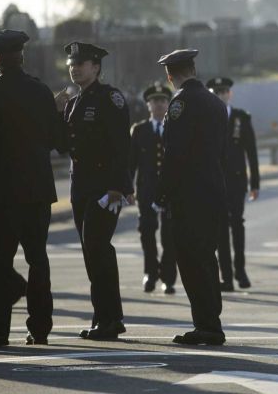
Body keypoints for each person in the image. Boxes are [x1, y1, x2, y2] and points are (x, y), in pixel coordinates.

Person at [54, 41, 133, 340]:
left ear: (96, 67)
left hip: (104, 186)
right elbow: (62, 145)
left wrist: (118, 187)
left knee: (98, 247)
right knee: (92, 252)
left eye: (81, 64)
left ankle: (110, 319)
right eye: (72, 64)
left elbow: (121, 146)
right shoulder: (73, 103)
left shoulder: (109, 98)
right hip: (80, 186)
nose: (74, 68)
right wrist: (56, 112)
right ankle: (106, 316)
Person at [0, 30, 61, 347]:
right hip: (37, 190)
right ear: (22, 56)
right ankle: (41, 327)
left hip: (1, 193)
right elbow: (57, 140)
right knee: (38, 259)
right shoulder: (41, 91)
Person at [155, 49, 228, 345]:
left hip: (189, 194)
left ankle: (206, 324)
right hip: (213, 189)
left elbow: (175, 153)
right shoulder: (214, 101)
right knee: (207, 258)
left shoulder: (181, 103)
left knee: (190, 259)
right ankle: (212, 321)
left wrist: (163, 190)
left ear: (170, 75)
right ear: (194, 69)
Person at [207, 77, 260, 291]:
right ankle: (226, 276)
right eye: (216, 92)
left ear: (230, 94)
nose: (221, 95)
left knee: (237, 225)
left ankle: (240, 270)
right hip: (215, 181)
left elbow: (252, 152)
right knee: (220, 229)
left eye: (224, 91)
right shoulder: (206, 118)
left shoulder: (241, 118)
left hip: (237, 181)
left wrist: (255, 183)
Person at [129, 83, 177, 294]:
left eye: (163, 101)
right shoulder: (139, 131)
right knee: (147, 233)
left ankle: (168, 277)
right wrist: (127, 188)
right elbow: (131, 163)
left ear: (168, 104)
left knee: (170, 236)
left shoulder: (175, 128)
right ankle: (150, 272)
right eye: (155, 101)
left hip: (170, 192)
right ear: (148, 105)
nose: (159, 105)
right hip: (146, 190)